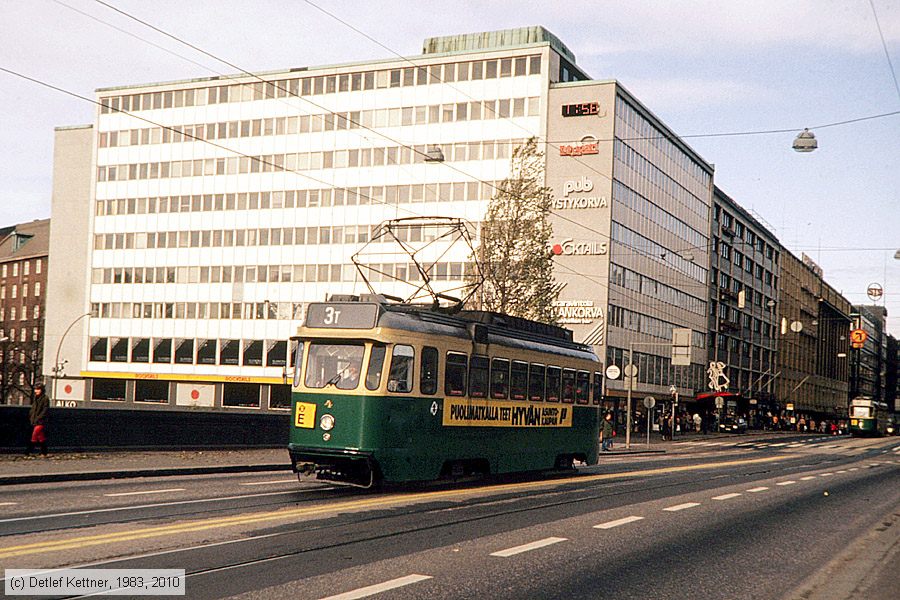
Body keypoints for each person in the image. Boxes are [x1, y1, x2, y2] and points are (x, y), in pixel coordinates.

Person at [27, 382, 49, 456]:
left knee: (35, 434)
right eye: (35, 389)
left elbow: (45, 410)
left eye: (38, 389)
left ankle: (29, 450)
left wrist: (38, 417)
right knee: (40, 436)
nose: (36, 391)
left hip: (41, 421)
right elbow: (33, 409)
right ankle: (44, 451)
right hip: (36, 419)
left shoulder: (45, 399)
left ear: (42, 390)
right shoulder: (36, 398)